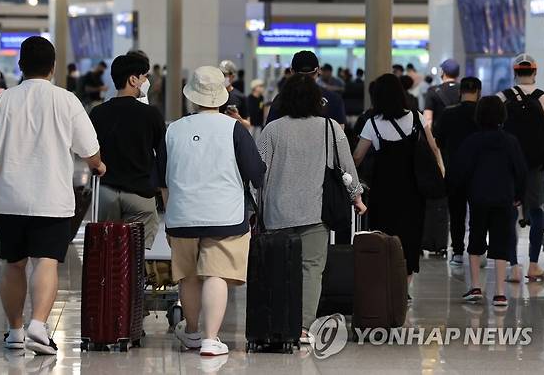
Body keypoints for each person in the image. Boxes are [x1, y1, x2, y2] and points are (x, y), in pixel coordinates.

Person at [0, 36, 105, 355]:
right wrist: (98, 165)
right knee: (46, 262)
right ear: (53, 67)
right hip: (51, 200)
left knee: (12, 264)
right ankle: (39, 327)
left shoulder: (2, 102)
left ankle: (15, 332)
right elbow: (89, 149)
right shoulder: (67, 100)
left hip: (8, 199)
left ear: (20, 66)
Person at [165, 66, 265, 357]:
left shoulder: (174, 129)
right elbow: (256, 173)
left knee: (188, 276)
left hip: (181, 215)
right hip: (225, 215)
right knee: (216, 274)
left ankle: (193, 333)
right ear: (222, 97)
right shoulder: (234, 128)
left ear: (192, 97)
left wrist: (172, 211)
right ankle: (211, 339)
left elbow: (162, 178)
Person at [258, 74, 365, 342]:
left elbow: (258, 174)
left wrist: (253, 209)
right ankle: (304, 327)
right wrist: (357, 198)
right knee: (311, 269)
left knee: (279, 269)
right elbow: (347, 171)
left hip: (277, 212)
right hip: (316, 212)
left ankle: (278, 323)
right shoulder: (330, 128)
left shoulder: (272, 131)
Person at [353, 74, 443, 290]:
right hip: (413, 192)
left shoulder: (372, 124)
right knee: (410, 239)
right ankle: (404, 289)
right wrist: (440, 171)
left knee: (383, 238)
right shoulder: (416, 117)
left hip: (383, 193)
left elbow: (357, 157)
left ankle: (386, 287)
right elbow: (433, 147)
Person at [454, 96, 527, 307]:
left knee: (476, 238)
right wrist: (519, 196)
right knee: (501, 241)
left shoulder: (472, 141)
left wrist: (460, 191)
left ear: (479, 115)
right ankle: (500, 293)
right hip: (504, 197)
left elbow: (461, 170)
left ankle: (476, 286)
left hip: (478, 197)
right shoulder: (510, 141)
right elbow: (521, 171)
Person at [89, 52, 166, 249]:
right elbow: (163, 155)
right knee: (134, 256)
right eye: (144, 76)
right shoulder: (151, 114)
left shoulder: (98, 113)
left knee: (106, 252)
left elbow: (90, 152)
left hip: (106, 192)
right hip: (140, 195)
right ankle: (132, 281)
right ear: (133, 79)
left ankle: (107, 281)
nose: (146, 80)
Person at [496, 54, 544, 282]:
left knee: (509, 213)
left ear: (514, 72)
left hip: (508, 165)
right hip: (535, 165)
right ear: (535, 72)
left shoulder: (501, 98)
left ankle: (514, 267)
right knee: (537, 212)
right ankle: (534, 265)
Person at [434, 77, 482, 266]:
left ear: (460, 91)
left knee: (456, 214)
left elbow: (440, 141)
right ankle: (476, 252)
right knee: (478, 214)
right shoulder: (482, 113)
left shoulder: (448, 113)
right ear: (478, 90)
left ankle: (458, 252)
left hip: (455, 170)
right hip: (479, 172)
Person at [266, 51, 347, 128]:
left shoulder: (281, 100)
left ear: (292, 71)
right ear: (318, 70)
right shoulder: (334, 100)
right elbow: (339, 136)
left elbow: (269, 134)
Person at [424, 59, 460, 131]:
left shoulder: (433, 91)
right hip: (461, 137)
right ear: (458, 74)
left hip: (439, 137)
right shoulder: (464, 90)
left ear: (442, 72)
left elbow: (428, 119)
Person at [218, 60, 250, 126]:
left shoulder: (240, 97)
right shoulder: (212, 95)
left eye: (224, 75)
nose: (221, 77)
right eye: (219, 74)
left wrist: (238, 118)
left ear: (232, 76)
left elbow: (248, 125)